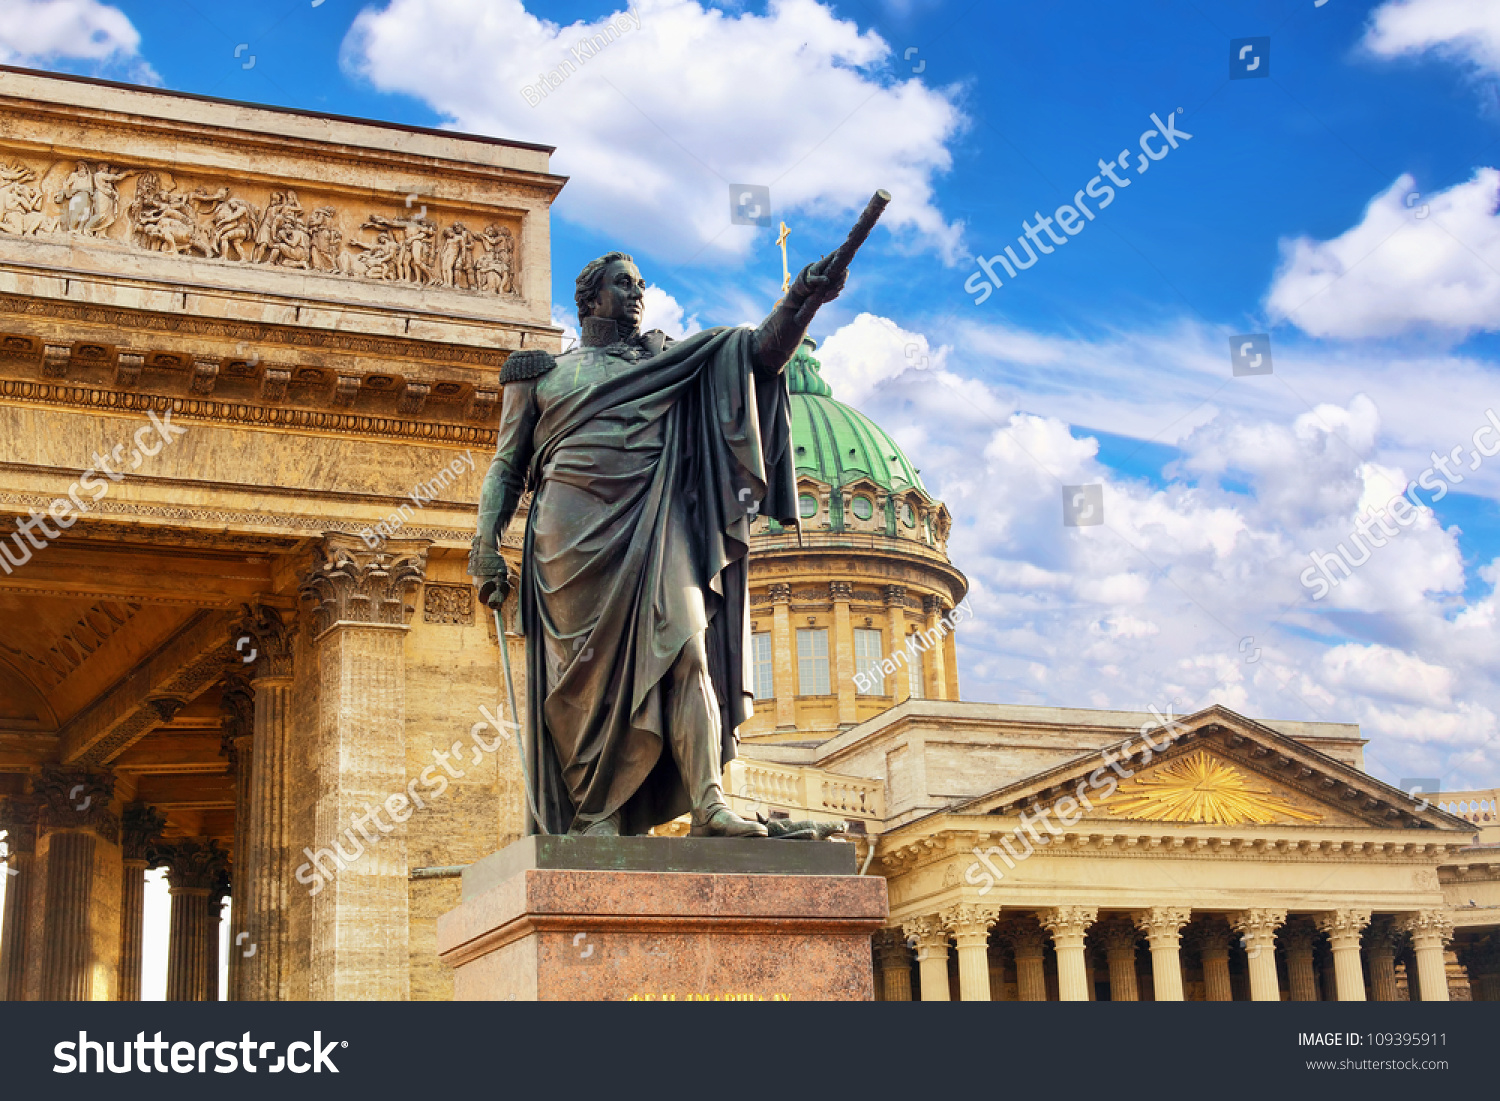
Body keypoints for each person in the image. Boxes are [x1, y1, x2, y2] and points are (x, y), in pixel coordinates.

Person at [469, 251, 844, 837]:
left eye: (642, 283)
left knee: (689, 649)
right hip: (568, 538)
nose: (638, 293)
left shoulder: (672, 361)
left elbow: (758, 353)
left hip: (658, 515)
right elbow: (506, 465)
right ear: (591, 298)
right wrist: (484, 544)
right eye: (624, 283)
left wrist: (802, 301)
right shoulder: (541, 373)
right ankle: (598, 813)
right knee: (586, 681)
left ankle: (710, 802)